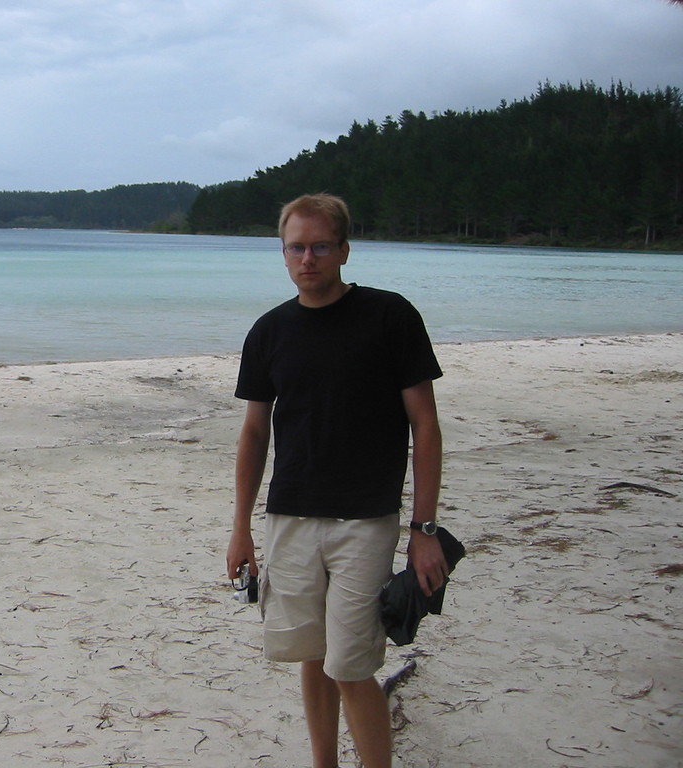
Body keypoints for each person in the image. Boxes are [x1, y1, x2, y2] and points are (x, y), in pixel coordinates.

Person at [226, 193, 448, 768]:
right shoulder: (269, 331)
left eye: (320, 245)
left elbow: (425, 424)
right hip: (290, 517)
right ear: (283, 254)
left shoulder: (389, 316)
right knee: (311, 654)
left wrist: (423, 528)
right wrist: (240, 530)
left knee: (351, 666)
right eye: (296, 247)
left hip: (365, 521)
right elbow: (254, 435)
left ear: (344, 249)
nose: (308, 258)